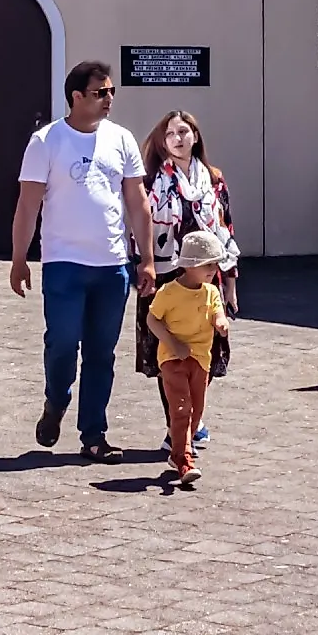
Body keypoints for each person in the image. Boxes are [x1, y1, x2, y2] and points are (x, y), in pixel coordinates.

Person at [11, 59, 155, 461]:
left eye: (111, 92)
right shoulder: (46, 142)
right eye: (100, 92)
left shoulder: (121, 139)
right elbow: (27, 206)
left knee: (101, 352)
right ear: (76, 97)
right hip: (63, 264)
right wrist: (19, 258)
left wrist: (146, 259)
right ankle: (56, 401)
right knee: (62, 343)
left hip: (112, 266)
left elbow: (137, 202)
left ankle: (94, 434)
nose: (109, 99)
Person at [135, 110, 238, 449]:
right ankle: (177, 428)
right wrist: (144, 265)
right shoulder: (150, 179)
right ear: (162, 142)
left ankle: (192, 419)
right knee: (170, 353)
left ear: (196, 135)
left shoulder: (213, 178)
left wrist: (229, 284)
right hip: (165, 276)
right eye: (170, 133)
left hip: (207, 278)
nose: (177, 138)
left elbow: (226, 229)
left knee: (205, 352)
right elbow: (138, 225)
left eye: (184, 131)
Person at [145, 229, 234, 487]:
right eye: (208, 264)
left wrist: (221, 322)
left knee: (196, 411)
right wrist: (173, 343)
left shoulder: (211, 291)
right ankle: (184, 461)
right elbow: (152, 319)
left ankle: (177, 451)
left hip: (200, 359)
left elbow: (218, 311)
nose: (213, 269)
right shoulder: (169, 292)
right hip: (172, 359)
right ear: (190, 266)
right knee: (181, 408)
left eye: (215, 264)